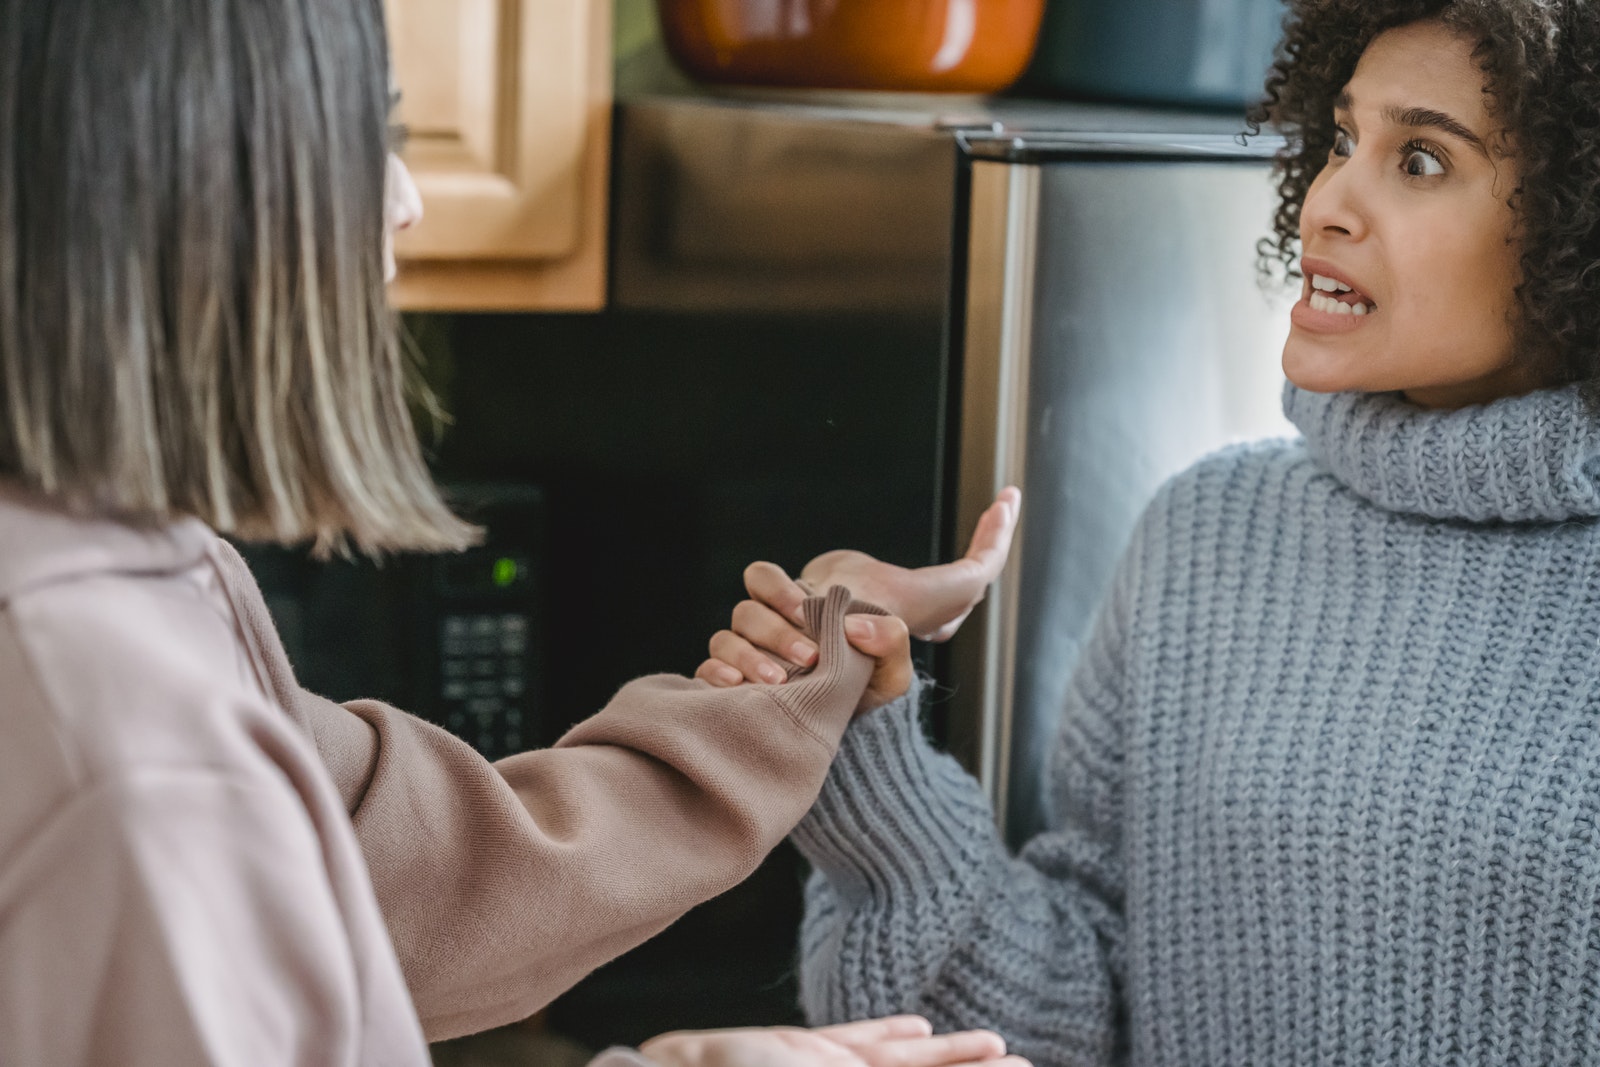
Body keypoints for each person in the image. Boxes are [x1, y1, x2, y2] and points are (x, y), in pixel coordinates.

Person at [0, 1, 1033, 1064]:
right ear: (170, 185)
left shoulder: (118, 577)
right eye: (357, 138)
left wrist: (821, 651)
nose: (405, 199)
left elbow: (446, 875)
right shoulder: (119, 734)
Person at [707, 1, 1600, 1063]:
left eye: (1417, 159)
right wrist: (862, 731)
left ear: (1573, 227)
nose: (1327, 203)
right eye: (1340, 139)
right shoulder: (1207, 532)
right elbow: (1069, 1010)